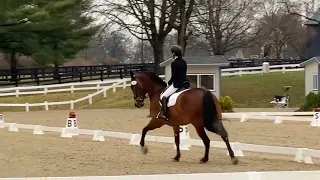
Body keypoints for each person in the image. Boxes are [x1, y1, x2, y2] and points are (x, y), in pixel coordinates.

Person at [159, 45, 189, 122]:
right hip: (185, 84)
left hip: (177, 85)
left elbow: (174, 76)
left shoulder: (174, 63)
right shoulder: (184, 62)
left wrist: (169, 82)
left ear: (174, 53)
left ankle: (165, 115)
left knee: (164, 96)